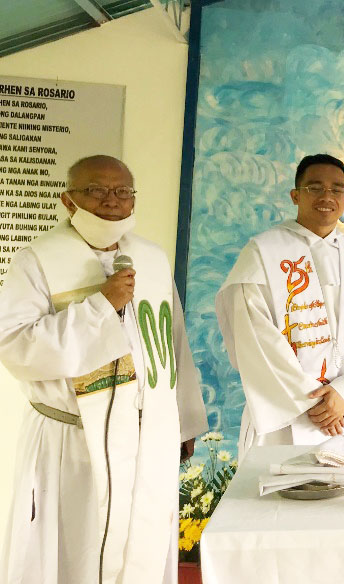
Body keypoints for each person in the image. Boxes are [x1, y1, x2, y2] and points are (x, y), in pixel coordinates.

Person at [0, 155, 208, 583]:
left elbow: (173, 342)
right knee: (76, 549)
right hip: (73, 439)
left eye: (122, 191)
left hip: (147, 434)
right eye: (96, 190)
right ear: (68, 199)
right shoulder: (37, 260)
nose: (111, 201)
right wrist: (100, 307)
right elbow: (15, 346)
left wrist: (183, 420)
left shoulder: (150, 258)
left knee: (142, 546)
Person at [217, 154, 344, 460]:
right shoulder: (263, 253)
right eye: (314, 188)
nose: (326, 197)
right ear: (295, 195)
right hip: (283, 421)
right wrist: (313, 401)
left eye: (336, 190)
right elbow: (253, 335)